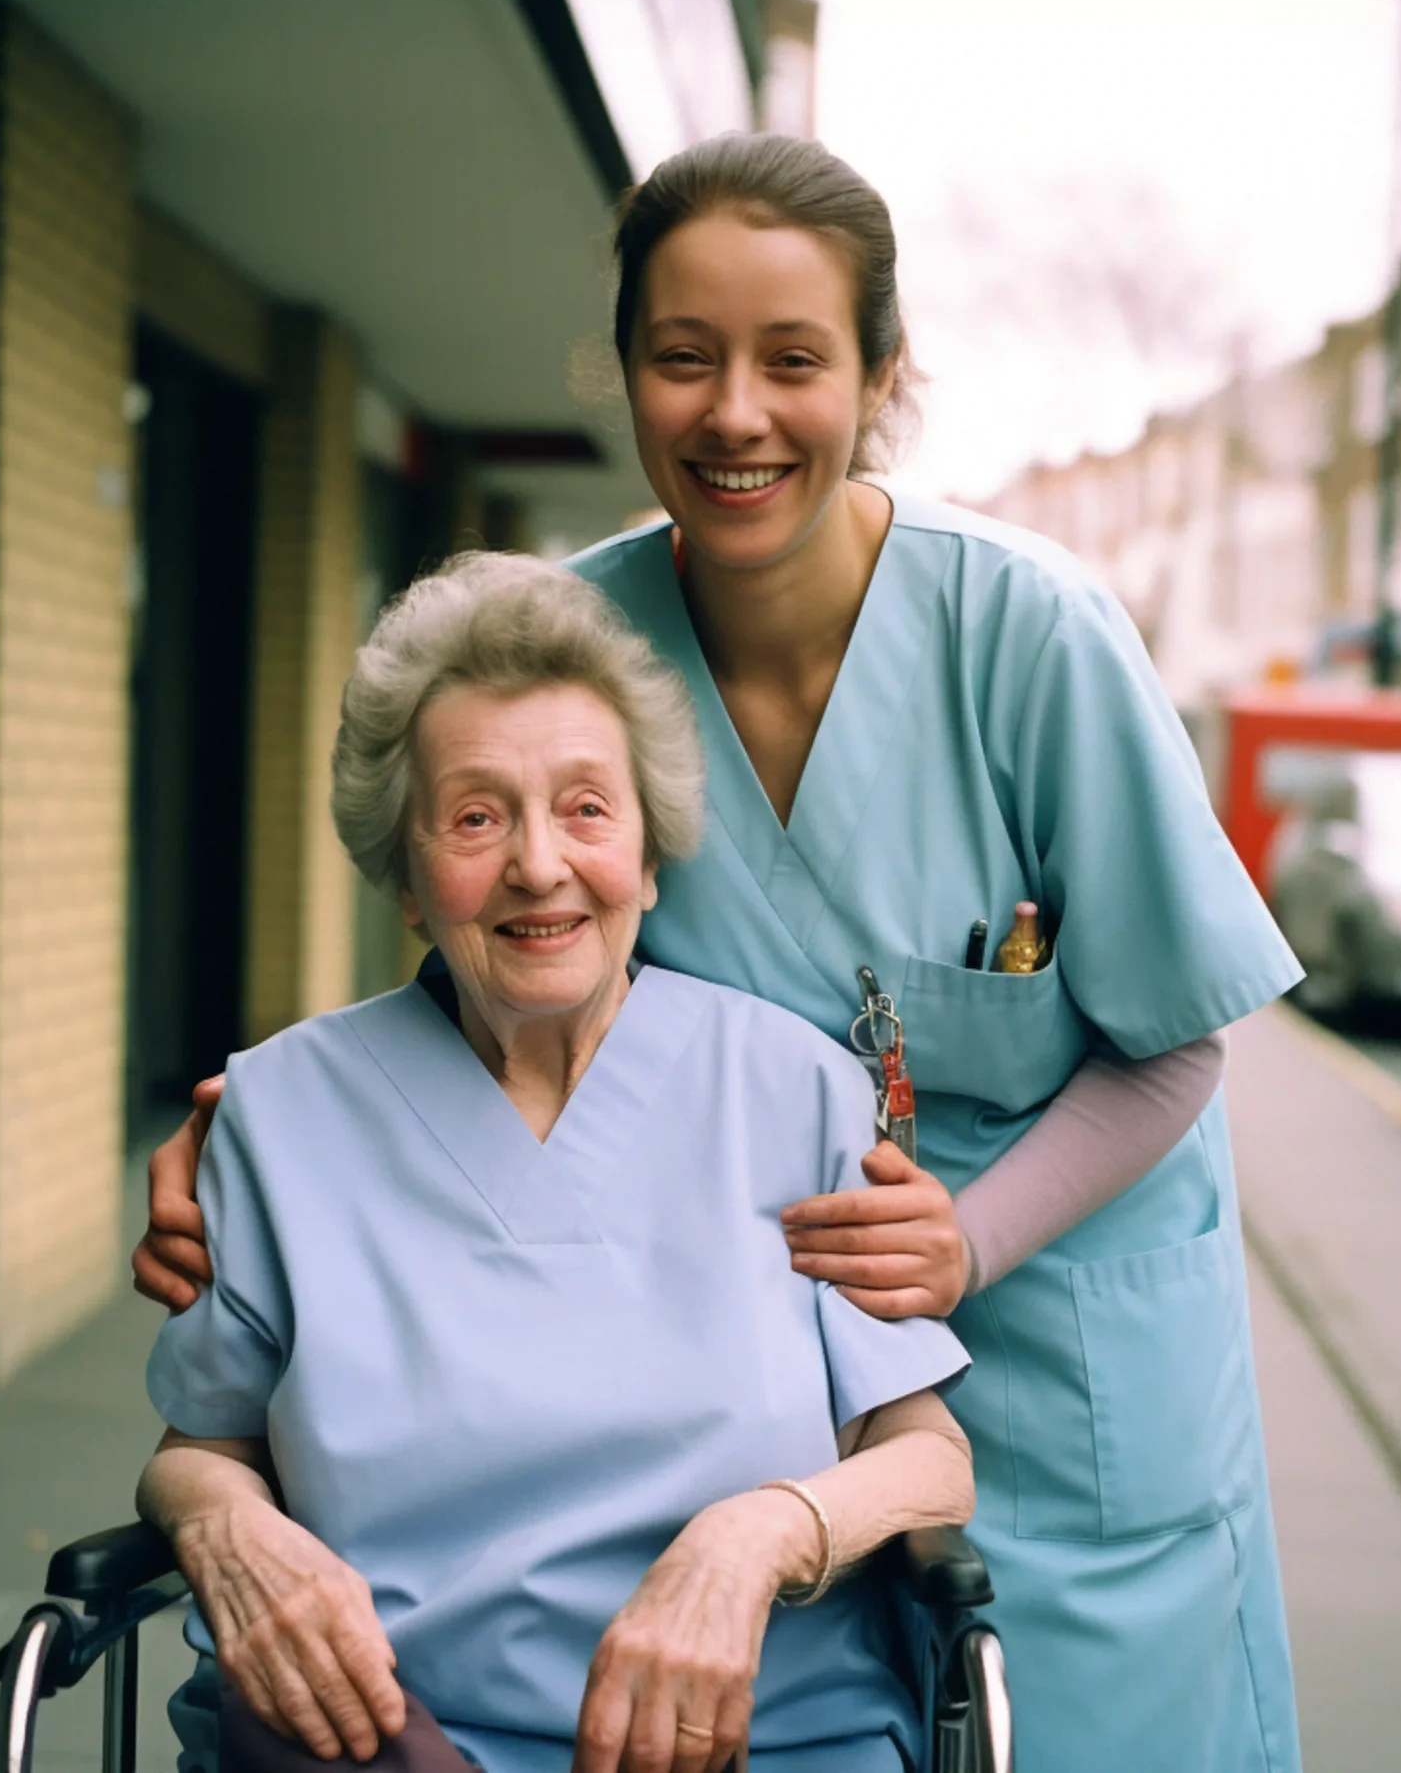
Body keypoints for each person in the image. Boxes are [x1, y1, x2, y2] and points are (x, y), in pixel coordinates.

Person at [143, 134, 1305, 1771]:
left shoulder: (1030, 635)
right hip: (741, 1355)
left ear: (883, 378)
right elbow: (506, 941)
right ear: (624, 375)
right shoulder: (579, 642)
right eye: (682, 358)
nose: (736, 413)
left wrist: (967, 1243)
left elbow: (1179, 1031)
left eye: (795, 360)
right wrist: (242, 1143)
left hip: (1063, 1357)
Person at [140, 551, 974, 1773]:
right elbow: (201, 1445)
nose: (539, 864)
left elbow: (927, 1458)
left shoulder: (790, 1088)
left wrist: (757, 1536)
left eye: (587, 808)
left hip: (757, 1742)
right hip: (395, 1741)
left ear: (647, 854)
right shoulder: (280, 1109)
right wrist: (222, 1528)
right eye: (476, 816)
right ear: (411, 878)